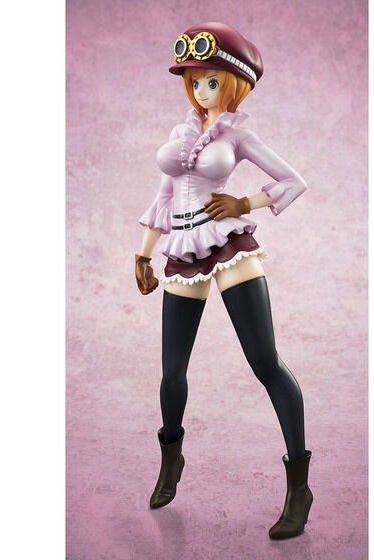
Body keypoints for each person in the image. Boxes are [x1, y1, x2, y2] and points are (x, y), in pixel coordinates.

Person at [134, 21, 313, 540]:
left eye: (211, 81)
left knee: (265, 362)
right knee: (172, 372)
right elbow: (163, 197)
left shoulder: (238, 136)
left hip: (229, 246)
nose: (202, 90)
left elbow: (293, 180)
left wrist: (243, 203)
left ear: (233, 83)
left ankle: (299, 487)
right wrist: (143, 253)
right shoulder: (180, 136)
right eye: (195, 81)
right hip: (182, 248)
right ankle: (171, 456)